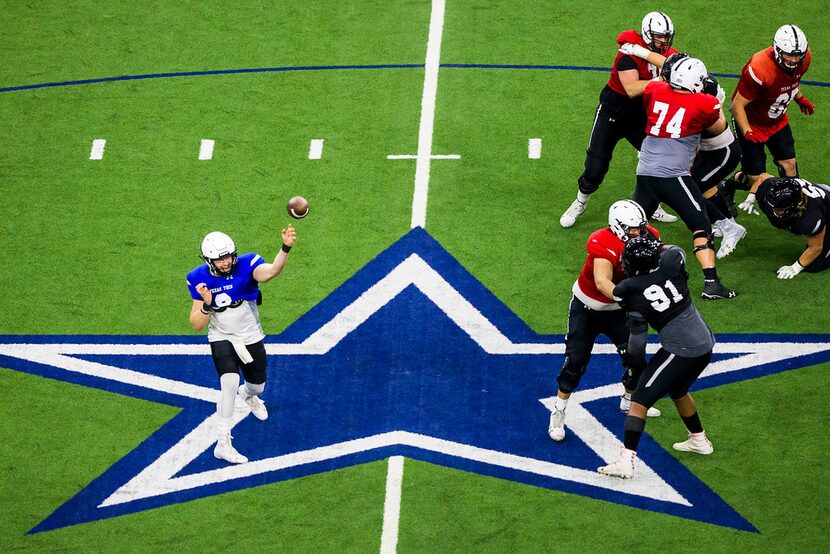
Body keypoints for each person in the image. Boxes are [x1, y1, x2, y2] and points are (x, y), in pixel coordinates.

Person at [598, 236, 715, 479]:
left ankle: (626, 460)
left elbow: (638, 343)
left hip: (681, 351)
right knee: (678, 390)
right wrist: (653, 247)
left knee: (639, 399)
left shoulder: (630, 292)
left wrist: (633, 364)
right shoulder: (673, 261)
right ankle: (699, 440)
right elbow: (674, 248)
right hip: (704, 342)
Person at [549, 200, 661, 443]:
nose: (638, 233)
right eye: (632, 229)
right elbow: (602, 282)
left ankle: (629, 399)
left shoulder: (649, 236)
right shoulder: (602, 241)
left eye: (640, 228)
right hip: (588, 308)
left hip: (618, 311)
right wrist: (632, 300)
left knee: (636, 359)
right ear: (618, 226)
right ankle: (559, 409)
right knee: (575, 361)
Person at [620, 46, 747, 258]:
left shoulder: (704, 96)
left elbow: (717, 127)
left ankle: (730, 228)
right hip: (704, 149)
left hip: (721, 151)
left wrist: (716, 106)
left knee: (692, 190)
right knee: (696, 189)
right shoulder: (686, 79)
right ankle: (725, 223)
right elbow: (664, 66)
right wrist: (637, 50)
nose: (667, 81)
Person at [186, 225, 297, 464]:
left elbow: (272, 271)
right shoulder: (197, 278)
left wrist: (285, 247)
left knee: (257, 386)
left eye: (228, 256)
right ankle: (223, 443)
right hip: (221, 336)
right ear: (209, 260)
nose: (226, 262)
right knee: (228, 382)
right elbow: (196, 324)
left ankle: (248, 396)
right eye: (220, 258)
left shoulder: (246, 264)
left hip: (250, 335)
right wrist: (206, 304)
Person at [560, 11, 679, 228]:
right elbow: (632, 89)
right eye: (658, 36)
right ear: (646, 33)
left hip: (641, 117)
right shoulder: (627, 53)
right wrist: (663, 79)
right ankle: (580, 201)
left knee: (658, 163)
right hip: (612, 114)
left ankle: (651, 205)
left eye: (665, 36)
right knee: (596, 166)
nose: (663, 41)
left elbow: (679, 64)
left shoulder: (654, 52)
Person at [632, 56, 738, 300]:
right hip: (674, 176)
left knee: (635, 228)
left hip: (645, 171)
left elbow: (663, 94)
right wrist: (717, 102)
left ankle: (627, 275)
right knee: (701, 225)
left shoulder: (655, 89)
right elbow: (718, 128)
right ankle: (712, 284)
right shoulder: (705, 104)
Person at [726, 24, 814, 215]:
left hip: (777, 120)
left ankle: (792, 208)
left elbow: (790, 81)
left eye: (797, 55)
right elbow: (736, 106)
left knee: (790, 166)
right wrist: (747, 131)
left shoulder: (805, 58)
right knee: (754, 177)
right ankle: (728, 187)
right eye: (788, 55)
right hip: (752, 122)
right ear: (776, 49)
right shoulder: (759, 68)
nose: (793, 60)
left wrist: (799, 98)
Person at [755, 174, 830, 276]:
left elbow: (816, 248)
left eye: (778, 209)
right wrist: (750, 197)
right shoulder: (769, 187)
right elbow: (762, 177)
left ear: (793, 206)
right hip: (819, 193)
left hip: (825, 205)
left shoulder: (810, 218)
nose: (773, 211)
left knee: (814, 265)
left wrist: (796, 267)